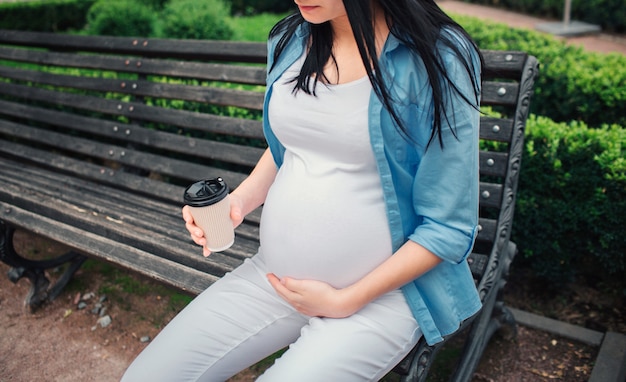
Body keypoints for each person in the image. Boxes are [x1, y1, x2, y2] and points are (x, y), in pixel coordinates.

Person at [121, 0, 483, 380]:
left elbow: (449, 226)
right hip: (274, 278)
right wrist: (239, 200)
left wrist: (346, 300)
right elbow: (293, 143)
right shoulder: (292, 38)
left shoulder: (437, 57)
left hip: (381, 300)